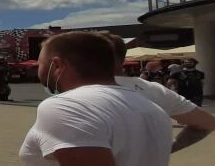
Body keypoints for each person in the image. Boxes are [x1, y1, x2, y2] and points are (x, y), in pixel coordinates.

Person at [19, 31, 170, 165]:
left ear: (57, 65)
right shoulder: (152, 108)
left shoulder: (67, 106)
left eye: (40, 64)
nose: (38, 70)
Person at [104, 34, 215, 154]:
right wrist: (166, 149)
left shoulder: (86, 92)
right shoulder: (155, 90)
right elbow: (206, 122)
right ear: (123, 58)